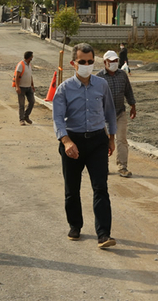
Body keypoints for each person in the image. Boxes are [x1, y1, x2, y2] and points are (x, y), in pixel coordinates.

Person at [52, 43, 118, 249]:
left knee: (101, 187)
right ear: (73, 63)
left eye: (90, 62)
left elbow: (110, 112)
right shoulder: (64, 89)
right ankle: (75, 225)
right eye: (82, 62)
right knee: (72, 188)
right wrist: (66, 141)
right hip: (73, 142)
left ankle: (103, 234)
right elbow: (57, 119)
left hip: (98, 141)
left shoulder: (101, 85)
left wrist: (111, 138)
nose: (87, 65)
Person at [97, 50, 136, 178]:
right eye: (111, 61)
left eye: (115, 61)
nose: (114, 63)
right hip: (103, 115)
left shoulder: (122, 75)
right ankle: (103, 166)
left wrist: (132, 106)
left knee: (121, 140)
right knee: (104, 141)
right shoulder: (98, 78)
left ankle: (122, 167)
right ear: (105, 62)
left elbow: (128, 91)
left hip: (120, 113)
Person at [14, 51, 35, 126]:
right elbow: (17, 76)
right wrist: (17, 87)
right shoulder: (21, 65)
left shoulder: (29, 65)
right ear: (29, 57)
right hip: (21, 88)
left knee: (32, 101)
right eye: (32, 56)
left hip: (28, 87)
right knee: (21, 104)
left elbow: (30, 76)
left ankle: (26, 116)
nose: (32, 58)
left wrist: (32, 85)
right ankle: (21, 119)